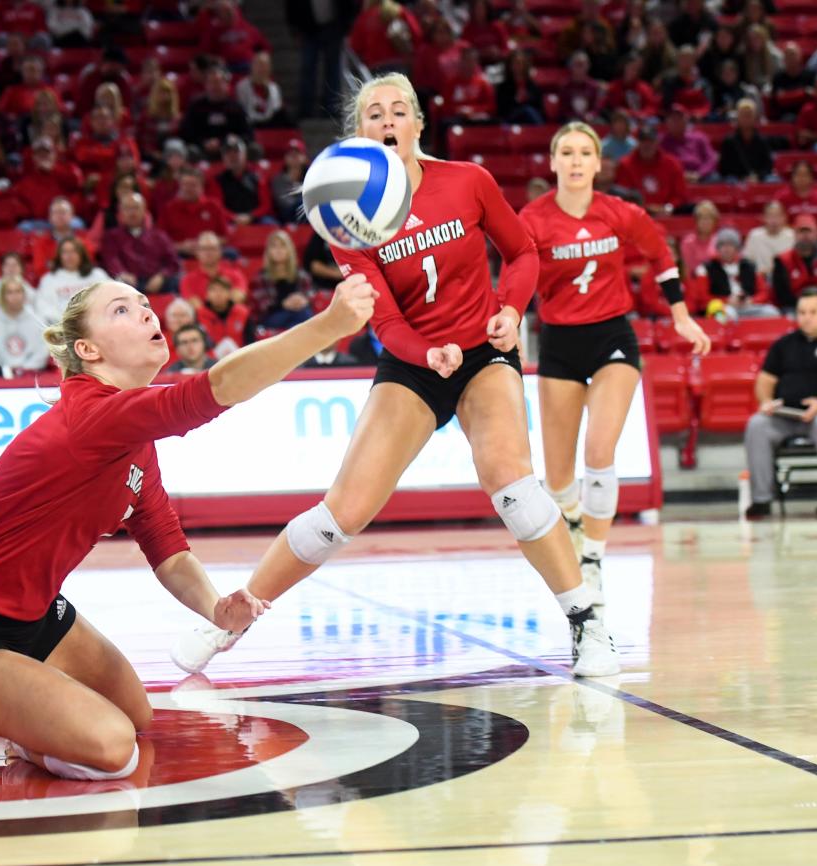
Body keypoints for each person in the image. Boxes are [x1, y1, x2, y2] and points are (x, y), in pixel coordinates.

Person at [171, 73, 622, 679]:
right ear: (359, 134)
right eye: (374, 113)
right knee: (341, 514)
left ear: (417, 124)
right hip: (413, 363)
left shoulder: (469, 181)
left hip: (484, 353)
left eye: (398, 111)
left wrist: (512, 311)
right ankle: (232, 619)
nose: (387, 121)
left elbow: (522, 254)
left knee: (510, 483)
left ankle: (587, 622)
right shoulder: (347, 214)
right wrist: (424, 352)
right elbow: (381, 317)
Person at [0, 273, 377, 781]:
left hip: (37, 616)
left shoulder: (133, 439)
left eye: (144, 303)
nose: (147, 313)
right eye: (122, 310)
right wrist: (327, 326)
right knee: (114, 752)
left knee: (137, 716)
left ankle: (22, 710)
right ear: (87, 349)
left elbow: (169, 553)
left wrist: (216, 609)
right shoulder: (91, 416)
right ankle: (6, 743)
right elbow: (213, 391)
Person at [519, 122, 709, 594]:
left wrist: (682, 315)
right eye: (567, 152)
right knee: (559, 480)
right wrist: (514, 332)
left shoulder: (619, 212)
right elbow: (516, 280)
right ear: (553, 161)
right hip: (559, 344)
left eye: (585, 152)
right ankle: (574, 518)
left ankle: (593, 558)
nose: (577, 160)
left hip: (612, 339)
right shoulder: (532, 219)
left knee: (600, 452)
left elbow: (661, 255)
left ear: (599, 163)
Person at [743, 287, 817, 520]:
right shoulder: (783, 345)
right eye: (802, 312)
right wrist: (767, 401)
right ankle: (761, 500)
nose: (806, 317)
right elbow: (765, 379)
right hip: (789, 415)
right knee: (757, 424)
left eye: (813, 311)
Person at [98, 194, 181, 294]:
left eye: (136, 208)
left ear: (144, 211)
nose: (132, 212)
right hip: (127, 283)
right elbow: (111, 259)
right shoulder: (111, 237)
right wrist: (122, 273)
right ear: (120, 212)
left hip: (158, 282)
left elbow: (173, 262)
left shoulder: (159, 236)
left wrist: (161, 276)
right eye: (127, 208)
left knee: (177, 281)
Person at [771, 216, 817, 312]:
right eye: (801, 232)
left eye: (809, 231)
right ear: (795, 234)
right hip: (794, 308)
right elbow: (781, 295)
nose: (805, 235)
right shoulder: (782, 261)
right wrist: (807, 307)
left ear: (816, 233)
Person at [248, 229, 315, 329]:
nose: (278, 250)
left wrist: (303, 300)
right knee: (303, 317)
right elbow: (260, 306)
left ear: (289, 250)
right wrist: (283, 304)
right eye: (274, 246)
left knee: (301, 316)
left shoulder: (301, 275)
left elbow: (311, 295)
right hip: (272, 317)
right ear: (268, 251)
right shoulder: (261, 277)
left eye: (283, 246)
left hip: (297, 314)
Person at [37, 237, 111, 322]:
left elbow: (110, 297)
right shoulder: (49, 280)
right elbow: (43, 307)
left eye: (74, 251)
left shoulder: (97, 275)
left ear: (82, 254)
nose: (69, 256)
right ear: (59, 255)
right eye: (65, 252)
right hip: (63, 327)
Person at [0, 275, 50, 372]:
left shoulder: (38, 321)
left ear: (24, 295)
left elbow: (43, 350)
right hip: (0, 375)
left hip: (31, 374)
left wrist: (26, 369)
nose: (14, 296)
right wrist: (4, 369)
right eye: (10, 292)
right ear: (2, 296)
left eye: (18, 291)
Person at [743, 200, 794, 277]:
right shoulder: (755, 236)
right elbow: (747, 261)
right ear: (763, 218)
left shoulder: (792, 236)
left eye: (777, 216)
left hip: (786, 278)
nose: (774, 220)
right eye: (770, 216)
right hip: (760, 279)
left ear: (784, 217)